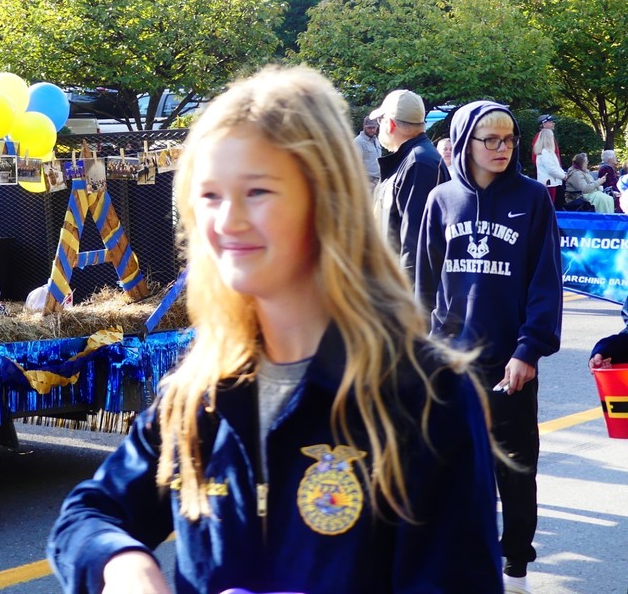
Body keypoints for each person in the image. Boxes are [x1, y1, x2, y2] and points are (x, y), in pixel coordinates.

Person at [48, 67, 502, 594]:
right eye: (210, 195)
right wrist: (122, 563)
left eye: (258, 191)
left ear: (326, 201)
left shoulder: (427, 395)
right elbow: (87, 515)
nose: (227, 220)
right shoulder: (200, 390)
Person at [415, 101, 562, 594]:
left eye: (509, 139)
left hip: (509, 362)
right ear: (464, 143)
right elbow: (425, 286)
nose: (503, 148)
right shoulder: (440, 200)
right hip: (451, 363)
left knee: (514, 470)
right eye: (491, 140)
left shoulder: (533, 198)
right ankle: (461, 562)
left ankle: (515, 566)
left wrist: (529, 350)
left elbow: (545, 281)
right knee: (452, 469)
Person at [370, 89, 448, 277]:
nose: (379, 127)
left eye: (380, 121)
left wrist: (406, 292)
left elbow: (415, 245)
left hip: (404, 287)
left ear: (390, 124)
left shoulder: (418, 163)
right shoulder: (414, 159)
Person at [532, 129, 565, 206]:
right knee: (551, 205)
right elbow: (551, 169)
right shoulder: (546, 153)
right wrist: (564, 176)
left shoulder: (545, 152)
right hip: (550, 183)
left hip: (550, 182)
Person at [353, 116, 381, 187]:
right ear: (364, 127)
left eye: (373, 127)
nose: (372, 130)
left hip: (378, 181)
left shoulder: (376, 140)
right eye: (369, 128)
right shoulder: (358, 142)